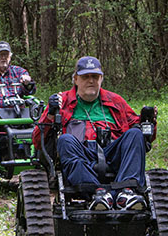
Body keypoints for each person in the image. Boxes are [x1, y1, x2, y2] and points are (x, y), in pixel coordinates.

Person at [33, 56, 150, 211]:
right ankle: (98, 193)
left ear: (101, 78)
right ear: (75, 79)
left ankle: (126, 192)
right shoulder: (62, 101)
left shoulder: (115, 101)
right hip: (81, 156)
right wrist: (50, 116)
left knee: (135, 134)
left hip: (112, 153)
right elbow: (37, 140)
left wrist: (148, 121)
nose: (91, 81)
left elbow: (143, 135)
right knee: (66, 140)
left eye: (95, 77)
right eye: (85, 77)